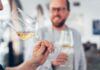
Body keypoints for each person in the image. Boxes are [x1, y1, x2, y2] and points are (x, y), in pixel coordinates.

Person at [31, 0, 86, 70]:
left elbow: (82, 62)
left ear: (68, 13)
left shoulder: (76, 34)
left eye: (61, 9)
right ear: (49, 12)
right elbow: (30, 63)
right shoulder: (39, 33)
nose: (56, 13)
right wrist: (50, 63)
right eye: (53, 9)